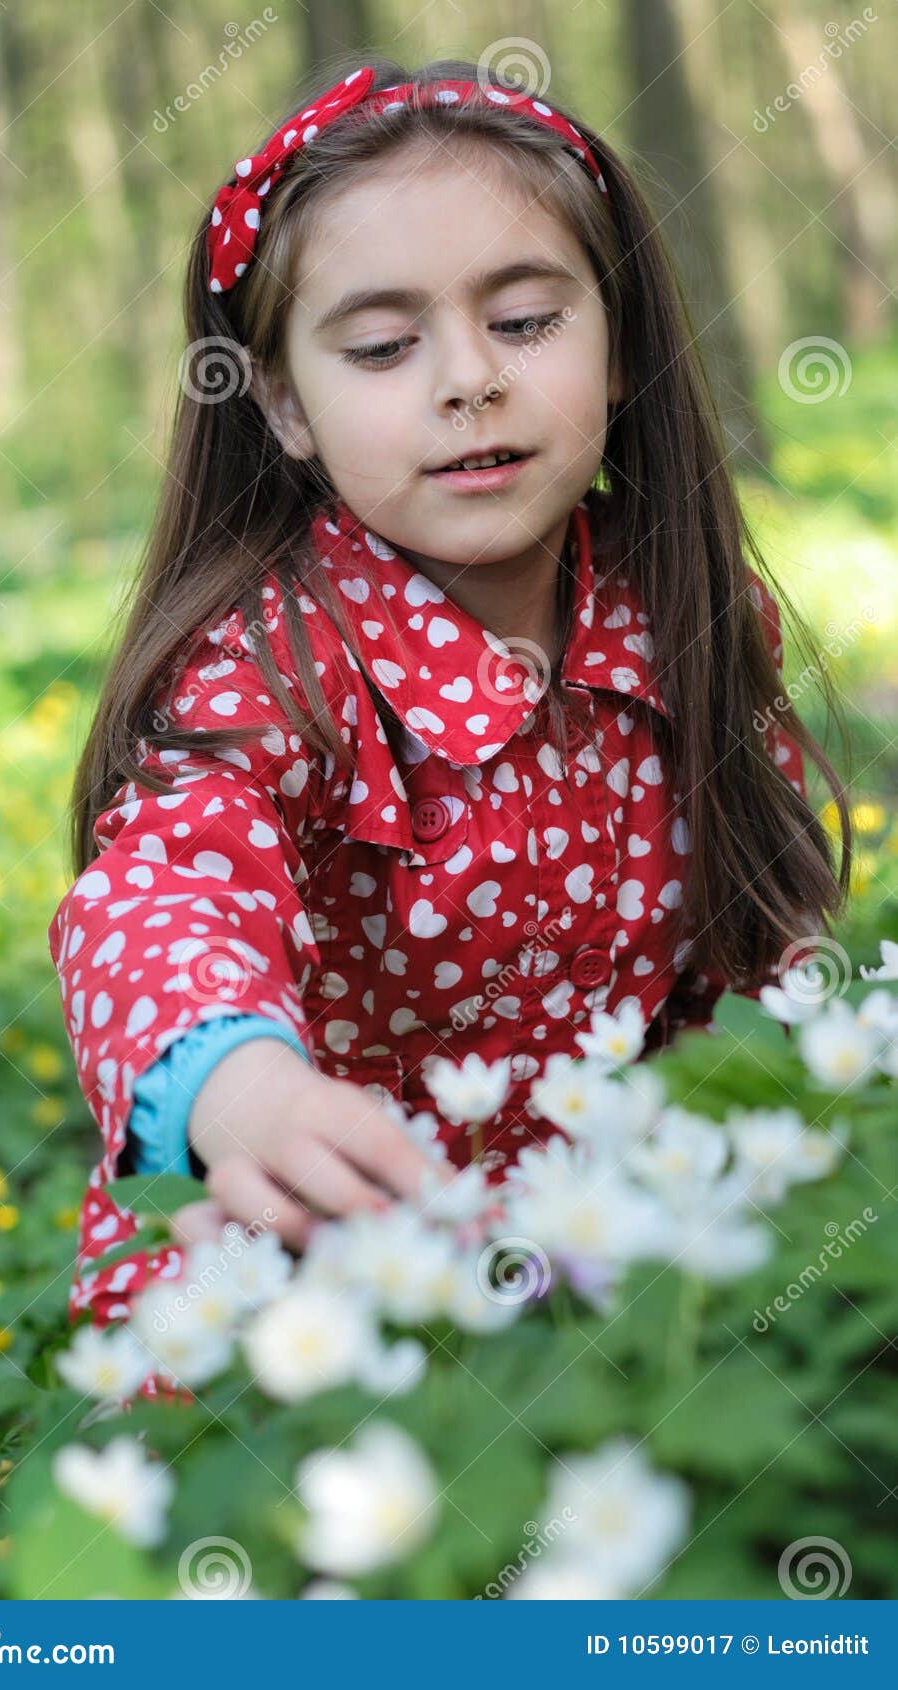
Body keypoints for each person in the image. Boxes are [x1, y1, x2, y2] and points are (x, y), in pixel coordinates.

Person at [47, 56, 850, 1346]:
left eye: (525, 322)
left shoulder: (687, 614)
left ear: (619, 342)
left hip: (617, 1280)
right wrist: (237, 1089)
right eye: (382, 347)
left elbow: (749, 969)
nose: (468, 378)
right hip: (303, 1296)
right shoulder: (271, 665)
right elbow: (165, 889)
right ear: (284, 404)